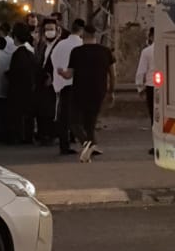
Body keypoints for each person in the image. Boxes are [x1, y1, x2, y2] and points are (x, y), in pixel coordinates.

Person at [67, 25, 116, 162]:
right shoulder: (106, 51)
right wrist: (111, 91)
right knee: (90, 122)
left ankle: (87, 143)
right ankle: (90, 147)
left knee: (74, 121)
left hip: (79, 91)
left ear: (83, 34)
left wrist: (61, 73)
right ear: (96, 35)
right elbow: (112, 74)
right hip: (98, 91)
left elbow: (69, 74)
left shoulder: (76, 51)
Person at [49, 19, 85, 156]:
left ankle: (64, 145)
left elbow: (53, 60)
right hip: (77, 85)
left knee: (63, 116)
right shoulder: (81, 45)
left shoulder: (60, 45)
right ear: (81, 30)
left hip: (63, 85)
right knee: (78, 117)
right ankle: (85, 142)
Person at [6, 23, 38, 145]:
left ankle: (19, 136)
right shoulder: (30, 53)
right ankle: (28, 136)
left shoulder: (17, 55)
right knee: (28, 114)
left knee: (18, 114)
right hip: (30, 88)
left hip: (18, 89)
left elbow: (14, 73)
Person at [34, 21, 58, 146]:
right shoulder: (41, 45)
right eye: (47, 29)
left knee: (50, 110)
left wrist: (52, 77)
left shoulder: (58, 45)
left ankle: (50, 134)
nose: (49, 31)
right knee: (41, 109)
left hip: (52, 82)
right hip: (41, 80)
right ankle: (43, 133)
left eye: (52, 29)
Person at [136, 27, 157, 154]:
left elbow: (141, 71)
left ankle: (156, 144)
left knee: (155, 117)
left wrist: (140, 87)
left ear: (150, 37)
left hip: (152, 86)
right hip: (168, 86)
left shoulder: (147, 51)